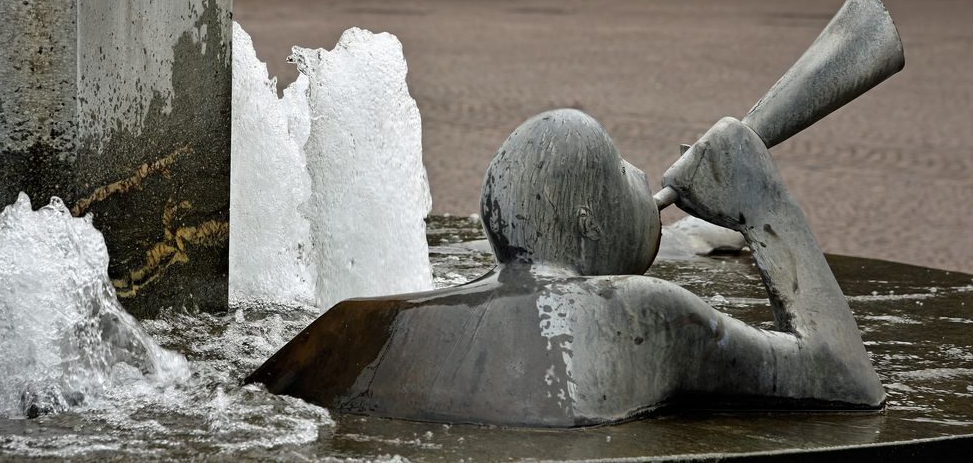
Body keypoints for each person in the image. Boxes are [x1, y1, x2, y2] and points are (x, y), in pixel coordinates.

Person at [245, 109, 884, 428]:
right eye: (622, 166)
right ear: (583, 221)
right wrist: (764, 206)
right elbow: (848, 381)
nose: (641, 176)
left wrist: (690, 237)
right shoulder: (646, 312)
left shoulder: (365, 324)